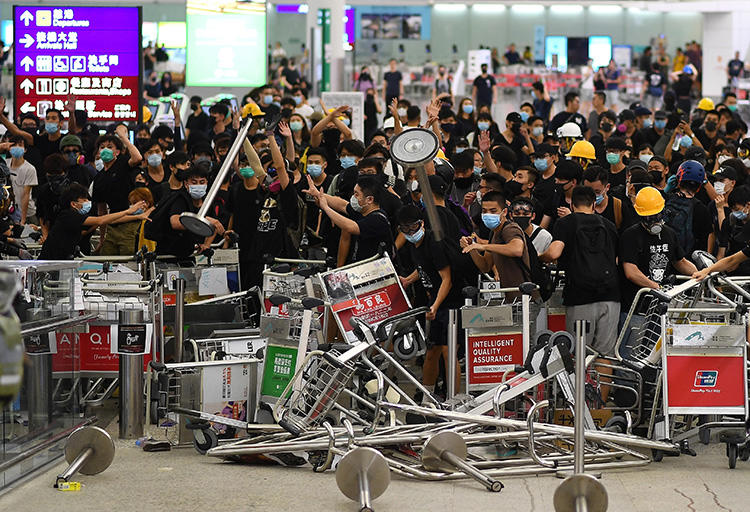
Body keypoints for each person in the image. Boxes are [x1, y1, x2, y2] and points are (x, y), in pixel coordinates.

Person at [540, 186, 620, 361]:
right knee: (605, 355)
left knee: (578, 355)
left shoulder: (566, 223)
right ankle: (600, 389)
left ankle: (580, 389)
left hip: (580, 296)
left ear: (571, 203)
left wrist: (539, 257)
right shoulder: (609, 225)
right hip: (611, 296)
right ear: (593, 204)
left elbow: (554, 253)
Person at [397, 205, 463, 401]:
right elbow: (425, 267)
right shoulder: (414, 245)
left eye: (413, 228)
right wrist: (409, 280)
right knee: (432, 350)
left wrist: (435, 305)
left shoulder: (435, 243)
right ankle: (427, 397)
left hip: (452, 302)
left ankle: (454, 400)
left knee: (448, 351)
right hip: (436, 301)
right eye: (405, 230)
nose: (410, 233)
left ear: (422, 224)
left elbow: (447, 279)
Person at [39, 184, 146, 260]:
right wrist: (128, 211)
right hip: (50, 261)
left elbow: (108, 219)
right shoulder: (68, 215)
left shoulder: (75, 217)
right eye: (84, 200)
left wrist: (138, 216)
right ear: (73, 204)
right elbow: (101, 220)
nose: (88, 203)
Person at [306, 174, 393, 264]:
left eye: (356, 194)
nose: (353, 197)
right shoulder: (361, 211)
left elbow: (350, 227)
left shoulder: (378, 219)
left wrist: (325, 207)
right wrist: (318, 194)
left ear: (370, 199)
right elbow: (342, 205)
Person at [461, 190, 531, 295]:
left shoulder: (510, 229)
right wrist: (471, 248)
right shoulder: (494, 233)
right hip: (511, 296)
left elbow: (516, 250)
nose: (488, 215)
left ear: (505, 212)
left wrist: (484, 246)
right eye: (484, 211)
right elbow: (485, 266)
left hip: (525, 297)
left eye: (493, 211)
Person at [91, 125, 143, 255]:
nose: (105, 150)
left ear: (117, 152)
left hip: (131, 222)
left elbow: (138, 158)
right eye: (102, 147)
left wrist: (123, 138)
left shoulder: (123, 163)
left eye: (110, 147)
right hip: (113, 224)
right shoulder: (98, 178)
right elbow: (101, 211)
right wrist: (102, 238)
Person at [4, 135, 37, 225]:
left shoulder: (30, 169)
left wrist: (22, 219)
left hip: (27, 214)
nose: (17, 147)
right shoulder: (4, 164)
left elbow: (26, 195)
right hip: (9, 212)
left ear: (25, 149)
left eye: (20, 145)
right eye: (14, 145)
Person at [583, 166, 623, 231]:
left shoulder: (618, 207)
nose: (592, 196)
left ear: (607, 187)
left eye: (597, 192)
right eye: (588, 191)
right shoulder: (579, 207)